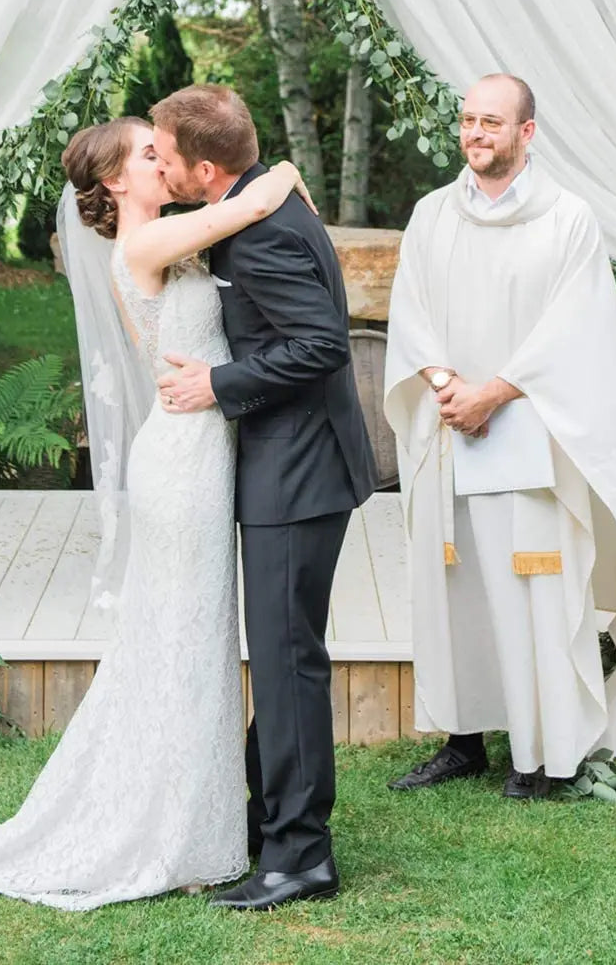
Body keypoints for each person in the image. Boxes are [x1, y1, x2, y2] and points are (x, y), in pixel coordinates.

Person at [0, 116, 314, 910]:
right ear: (116, 182)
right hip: (185, 464)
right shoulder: (143, 245)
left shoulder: (166, 241)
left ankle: (192, 820)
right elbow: (244, 206)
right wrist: (283, 167)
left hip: (195, 447)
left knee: (190, 637)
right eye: (149, 155)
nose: (164, 162)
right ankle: (175, 833)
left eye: (160, 151)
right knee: (186, 638)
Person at [383, 73, 616, 798]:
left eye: (490, 122)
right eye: (466, 121)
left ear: (526, 132)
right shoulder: (432, 215)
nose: (474, 134)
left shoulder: (567, 220)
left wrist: (493, 392)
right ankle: (463, 740)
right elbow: (411, 308)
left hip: (531, 429)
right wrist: (444, 386)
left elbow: (573, 328)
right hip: (449, 422)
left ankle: (541, 753)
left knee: (532, 590)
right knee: (458, 585)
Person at [152, 84, 379, 911]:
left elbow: (320, 346)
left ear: (205, 167)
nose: (159, 162)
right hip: (300, 465)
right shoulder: (252, 205)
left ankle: (300, 855)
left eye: (166, 152)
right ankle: (266, 821)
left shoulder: (258, 237)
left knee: (287, 666)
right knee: (288, 660)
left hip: (296, 471)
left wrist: (219, 382)